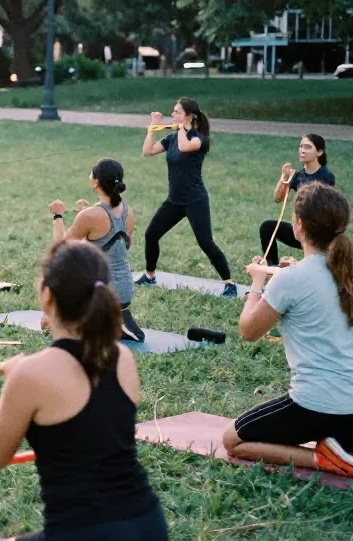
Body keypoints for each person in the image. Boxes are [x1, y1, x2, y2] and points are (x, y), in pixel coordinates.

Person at [0, 240, 198, 541]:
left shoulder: (32, 375)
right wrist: (30, 371)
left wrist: (16, 381)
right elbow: (85, 397)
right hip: (148, 534)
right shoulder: (123, 357)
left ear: (47, 296)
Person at [224, 182, 353, 478]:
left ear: (297, 225)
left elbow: (248, 331)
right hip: (350, 408)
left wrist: (257, 282)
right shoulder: (346, 269)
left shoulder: (290, 280)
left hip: (316, 404)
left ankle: (327, 460)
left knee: (232, 439)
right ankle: (341, 447)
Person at [137, 97, 237, 297]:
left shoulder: (199, 138)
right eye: (173, 111)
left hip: (195, 200)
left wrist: (181, 127)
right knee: (151, 234)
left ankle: (230, 283)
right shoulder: (173, 138)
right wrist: (152, 127)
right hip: (174, 200)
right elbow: (147, 151)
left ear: (189, 115)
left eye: (177, 112)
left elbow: (185, 147)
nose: (173, 115)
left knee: (205, 242)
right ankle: (150, 276)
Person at [49, 158, 144, 343]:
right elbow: (121, 246)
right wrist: (86, 214)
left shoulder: (90, 215)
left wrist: (58, 215)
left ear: (96, 182)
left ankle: (98, 323)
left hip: (102, 292)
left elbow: (59, 249)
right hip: (125, 291)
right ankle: (115, 319)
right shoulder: (128, 210)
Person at [259, 134, 335, 265]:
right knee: (267, 227)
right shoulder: (298, 176)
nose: (302, 150)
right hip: (300, 230)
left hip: (317, 234)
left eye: (307, 147)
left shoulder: (326, 177)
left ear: (319, 152)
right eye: (300, 147)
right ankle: (272, 267)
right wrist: (284, 176)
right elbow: (278, 198)